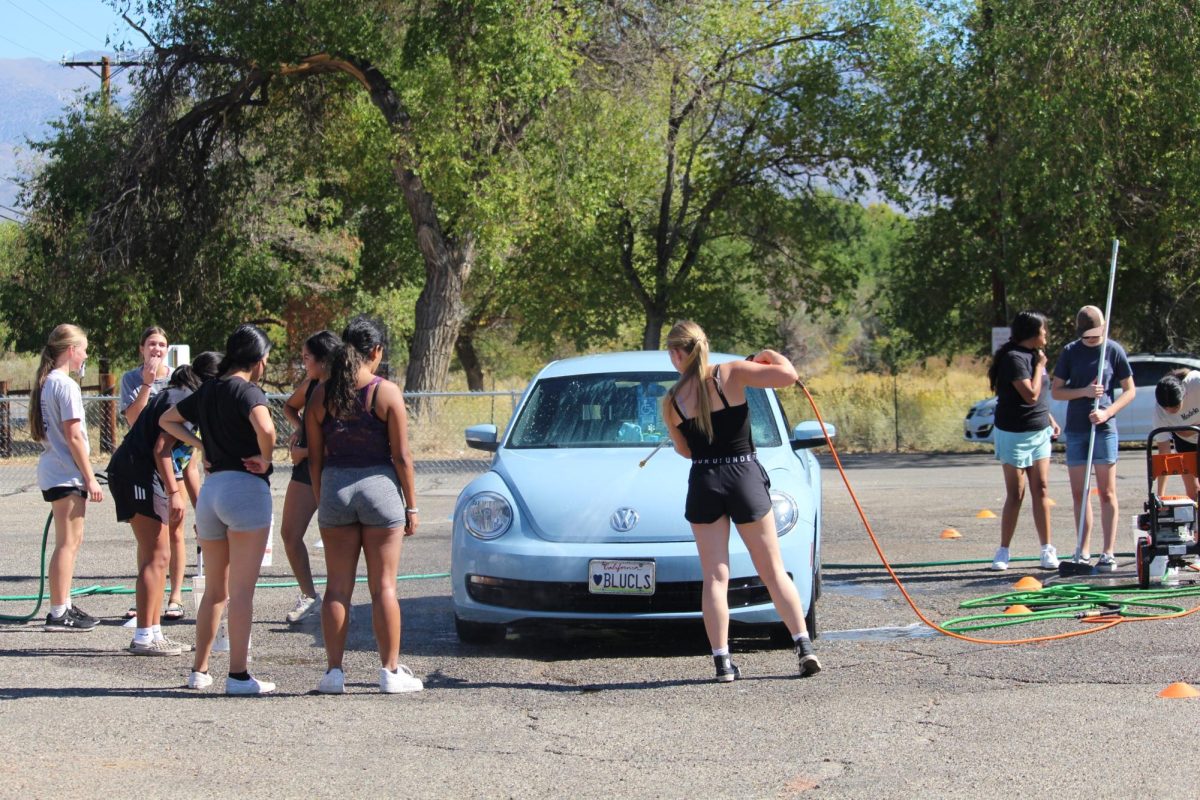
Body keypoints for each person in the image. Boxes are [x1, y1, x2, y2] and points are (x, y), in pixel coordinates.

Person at [660, 320, 819, 682]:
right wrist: (767, 355)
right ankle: (803, 646)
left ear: (677, 354)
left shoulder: (671, 401)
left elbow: (685, 451)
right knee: (772, 570)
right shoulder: (731, 373)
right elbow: (788, 375)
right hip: (743, 475)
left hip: (705, 481)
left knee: (715, 577)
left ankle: (722, 662)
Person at [306, 317, 423, 694]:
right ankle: (389, 671)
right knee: (383, 587)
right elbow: (402, 456)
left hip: (336, 489)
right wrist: (412, 506)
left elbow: (315, 457)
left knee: (336, 589)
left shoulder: (321, 394)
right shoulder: (385, 392)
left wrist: (321, 494)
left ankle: (334, 673)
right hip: (380, 490)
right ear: (375, 352)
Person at [160, 324, 277, 695]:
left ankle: (199, 670)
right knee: (242, 592)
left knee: (214, 590)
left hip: (211, 494)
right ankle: (239, 675)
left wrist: (201, 445)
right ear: (258, 360)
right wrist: (266, 458)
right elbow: (267, 429)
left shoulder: (209, 388)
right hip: (245, 492)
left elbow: (167, 420)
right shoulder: (249, 390)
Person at [106, 353, 221, 655]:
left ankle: (153, 630)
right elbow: (161, 449)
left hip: (139, 474)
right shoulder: (183, 397)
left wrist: (202, 510)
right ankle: (144, 635)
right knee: (156, 556)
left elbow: (188, 464)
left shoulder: (186, 396)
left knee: (157, 554)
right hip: (138, 474)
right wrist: (173, 493)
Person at [1051, 305, 1136, 570]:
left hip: (1104, 430)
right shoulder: (1070, 352)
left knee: (1107, 492)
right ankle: (1083, 549)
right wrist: (1085, 392)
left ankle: (1108, 551)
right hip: (1076, 429)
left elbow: (1129, 390)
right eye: (1087, 336)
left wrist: (1107, 412)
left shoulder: (1113, 350)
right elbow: (1057, 391)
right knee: (1080, 493)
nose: (1092, 340)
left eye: (1096, 335)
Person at [31, 324, 104, 632]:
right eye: (84, 349)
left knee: (70, 541)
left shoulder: (47, 382)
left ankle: (62, 604)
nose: (86, 355)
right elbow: (74, 435)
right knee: (68, 543)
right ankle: (59, 612)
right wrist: (90, 478)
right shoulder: (66, 385)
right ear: (72, 350)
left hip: (54, 469)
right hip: (66, 472)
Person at [118, 326, 192, 621]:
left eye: (162, 344)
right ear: (141, 348)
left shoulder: (178, 377)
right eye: (151, 344)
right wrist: (148, 384)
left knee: (175, 528)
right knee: (149, 535)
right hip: (143, 464)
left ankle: (175, 596)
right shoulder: (131, 379)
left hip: (175, 463)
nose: (157, 349)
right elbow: (135, 419)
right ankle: (147, 597)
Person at [986, 312, 1061, 571]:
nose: (1046, 336)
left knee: (1040, 488)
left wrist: (1049, 418)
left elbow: (1038, 400)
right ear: (1032, 333)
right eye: (1043, 331)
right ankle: (1004, 550)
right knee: (1015, 493)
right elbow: (1029, 395)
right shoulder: (1014, 358)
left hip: (1038, 430)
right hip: (1013, 432)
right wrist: (1040, 366)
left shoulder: (1034, 356)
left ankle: (1046, 549)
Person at [279, 330, 340, 625]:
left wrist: (306, 452)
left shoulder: (344, 386)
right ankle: (309, 595)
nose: (303, 364)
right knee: (290, 534)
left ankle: (339, 599)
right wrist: (301, 429)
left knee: (336, 537)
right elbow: (289, 407)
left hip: (333, 470)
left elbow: (344, 439)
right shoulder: (312, 382)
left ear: (324, 359)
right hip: (305, 470)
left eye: (306, 358)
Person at [1153, 369, 1200, 501]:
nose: (1169, 411)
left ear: (1184, 394)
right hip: (1184, 441)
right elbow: (1164, 452)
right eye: (1166, 408)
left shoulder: (1196, 382)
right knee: (1193, 492)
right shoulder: (1159, 412)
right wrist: (1160, 496)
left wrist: (1194, 429)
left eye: (1175, 407)